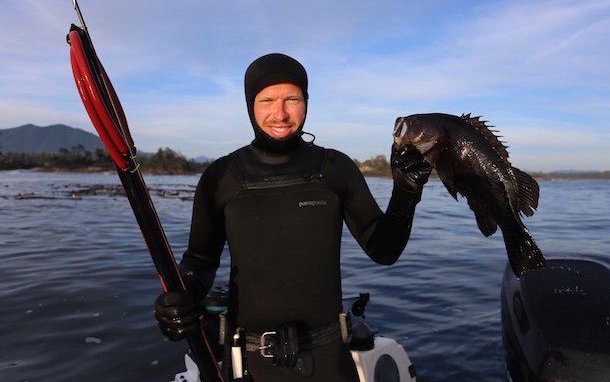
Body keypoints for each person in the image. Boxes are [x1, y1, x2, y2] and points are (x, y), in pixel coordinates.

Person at [154, 53, 431, 381]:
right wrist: (181, 298)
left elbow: (384, 250)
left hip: (328, 360)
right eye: (267, 99)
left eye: (292, 99)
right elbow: (200, 260)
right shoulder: (221, 176)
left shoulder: (335, 169)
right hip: (247, 362)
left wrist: (406, 192)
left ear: (307, 102)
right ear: (250, 104)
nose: (281, 113)